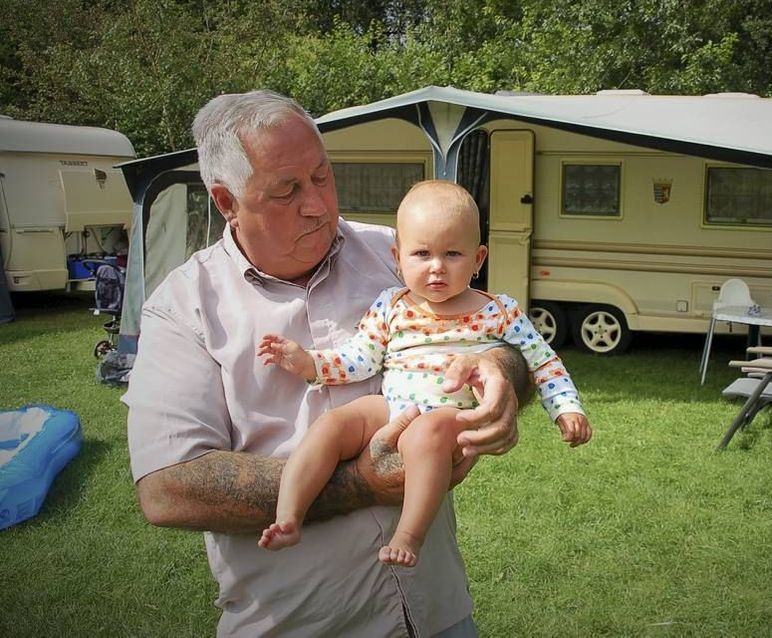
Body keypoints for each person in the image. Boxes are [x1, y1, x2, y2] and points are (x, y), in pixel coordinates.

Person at [124, 90, 531, 637]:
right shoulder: (183, 309)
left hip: (438, 613)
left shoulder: (396, 254)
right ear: (226, 201)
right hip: (300, 624)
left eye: (321, 176)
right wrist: (360, 483)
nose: (316, 204)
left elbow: (504, 340)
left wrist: (505, 374)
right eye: (287, 190)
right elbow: (169, 488)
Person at [257, 180, 592, 566]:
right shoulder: (392, 304)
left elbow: (541, 360)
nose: (436, 267)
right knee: (333, 424)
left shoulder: (498, 311)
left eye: (452, 253)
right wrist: (310, 363)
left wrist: (567, 408)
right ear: (398, 258)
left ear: (479, 259)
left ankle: (408, 535)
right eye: (421, 254)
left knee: (425, 435)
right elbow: (360, 357)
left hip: (447, 417)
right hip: (391, 406)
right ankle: (288, 515)